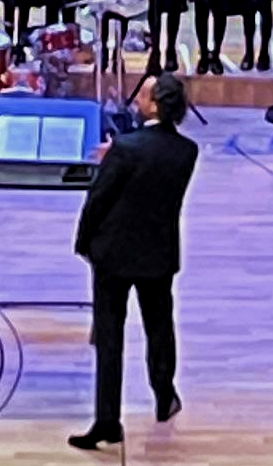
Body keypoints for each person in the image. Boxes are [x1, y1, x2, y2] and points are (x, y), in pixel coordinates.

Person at [71, 71, 196, 451]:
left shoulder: (126, 148)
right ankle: (164, 394)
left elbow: (98, 201)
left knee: (110, 338)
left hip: (114, 255)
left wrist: (84, 242)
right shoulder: (187, 151)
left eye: (143, 94)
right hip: (158, 254)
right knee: (160, 327)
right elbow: (152, 173)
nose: (136, 99)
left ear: (155, 104)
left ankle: (107, 421)